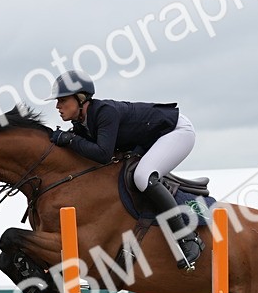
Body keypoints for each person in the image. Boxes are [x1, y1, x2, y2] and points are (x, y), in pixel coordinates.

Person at [46, 70, 204, 270]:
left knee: (143, 176)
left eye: (62, 100)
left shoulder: (104, 112)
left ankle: (187, 238)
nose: (57, 106)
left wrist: (70, 140)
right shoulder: (82, 123)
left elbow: (103, 153)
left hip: (177, 131)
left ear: (80, 98)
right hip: (151, 140)